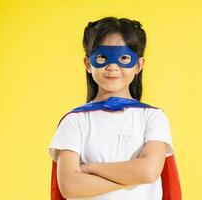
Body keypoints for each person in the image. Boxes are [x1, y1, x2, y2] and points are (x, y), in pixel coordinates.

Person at [48, 16, 181, 200]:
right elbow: (70, 186)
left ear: (138, 65)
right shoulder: (74, 120)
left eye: (124, 58)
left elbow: (149, 172)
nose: (112, 66)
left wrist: (90, 168)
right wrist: (132, 178)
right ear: (88, 64)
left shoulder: (152, 117)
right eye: (102, 57)